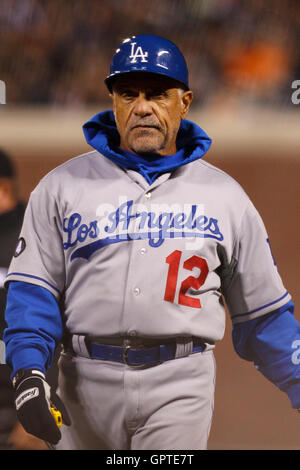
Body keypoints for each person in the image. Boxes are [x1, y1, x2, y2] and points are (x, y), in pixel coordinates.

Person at [2, 34, 299, 450]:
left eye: (158, 94)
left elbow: (264, 316)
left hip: (179, 384)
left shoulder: (225, 196)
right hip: (82, 382)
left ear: (185, 102)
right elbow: (34, 294)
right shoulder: (61, 187)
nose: (142, 106)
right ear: (114, 102)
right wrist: (29, 373)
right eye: (128, 93)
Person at [0, 149, 47, 450]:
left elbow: (58, 323)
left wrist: (44, 398)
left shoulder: (36, 234)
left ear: (3, 189)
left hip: (21, 399)